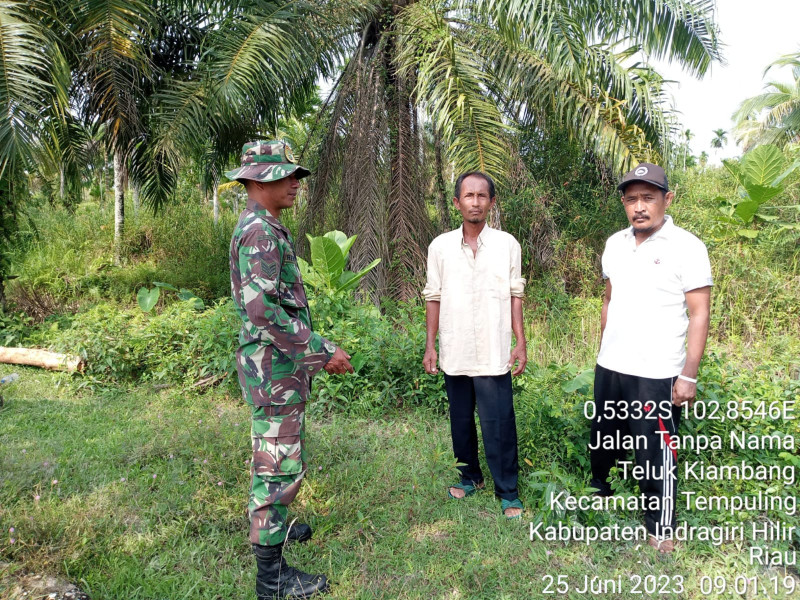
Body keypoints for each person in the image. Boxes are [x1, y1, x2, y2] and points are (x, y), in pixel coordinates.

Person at [227, 141, 353, 599]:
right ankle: (272, 578)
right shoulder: (260, 232)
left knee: (274, 455)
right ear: (259, 180)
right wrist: (322, 352)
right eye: (286, 175)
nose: (296, 183)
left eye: (296, 175)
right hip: (275, 370)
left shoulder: (264, 226)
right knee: (277, 467)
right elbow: (263, 312)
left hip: (276, 368)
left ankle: (274, 529)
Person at [589, 162, 712, 553]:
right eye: (631, 199)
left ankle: (660, 525)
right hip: (611, 365)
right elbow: (608, 300)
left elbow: (700, 313)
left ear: (667, 199)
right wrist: (602, 348)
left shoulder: (688, 247)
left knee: (654, 450)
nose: (639, 207)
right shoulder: (615, 244)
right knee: (604, 438)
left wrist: (688, 375)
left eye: (648, 198)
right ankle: (600, 495)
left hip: (657, 371)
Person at [422, 171, 527, 519]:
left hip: (494, 349)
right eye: (469, 196)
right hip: (456, 347)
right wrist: (431, 345)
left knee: (499, 421)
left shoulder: (507, 245)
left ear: (491, 202)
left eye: (482, 196)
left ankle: (507, 490)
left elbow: (515, 295)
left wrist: (520, 341)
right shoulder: (440, 247)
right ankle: (469, 477)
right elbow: (433, 297)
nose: (476, 202)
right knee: (460, 418)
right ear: (457, 202)